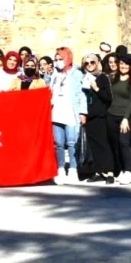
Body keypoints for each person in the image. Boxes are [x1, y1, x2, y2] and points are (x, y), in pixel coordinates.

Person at [49, 47, 86, 184]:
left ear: (67, 58)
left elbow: (82, 94)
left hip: (71, 111)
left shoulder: (76, 74)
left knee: (71, 142)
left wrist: (83, 111)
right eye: (56, 59)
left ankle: (73, 169)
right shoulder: (54, 74)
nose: (58, 62)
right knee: (58, 143)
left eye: (61, 59)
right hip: (56, 111)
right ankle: (60, 169)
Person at [80, 54, 114, 183]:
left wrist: (96, 88)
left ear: (97, 62)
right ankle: (98, 171)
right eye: (86, 63)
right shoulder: (84, 78)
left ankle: (110, 172)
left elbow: (108, 97)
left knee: (103, 144)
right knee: (93, 145)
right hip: (89, 116)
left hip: (100, 115)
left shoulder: (102, 77)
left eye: (92, 62)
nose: (89, 65)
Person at [106, 54, 131, 184]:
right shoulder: (113, 78)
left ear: (130, 66)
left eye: (126, 64)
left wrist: (126, 118)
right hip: (111, 114)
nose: (123, 66)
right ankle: (119, 170)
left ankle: (128, 171)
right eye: (121, 64)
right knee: (115, 144)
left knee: (124, 143)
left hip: (125, 116)